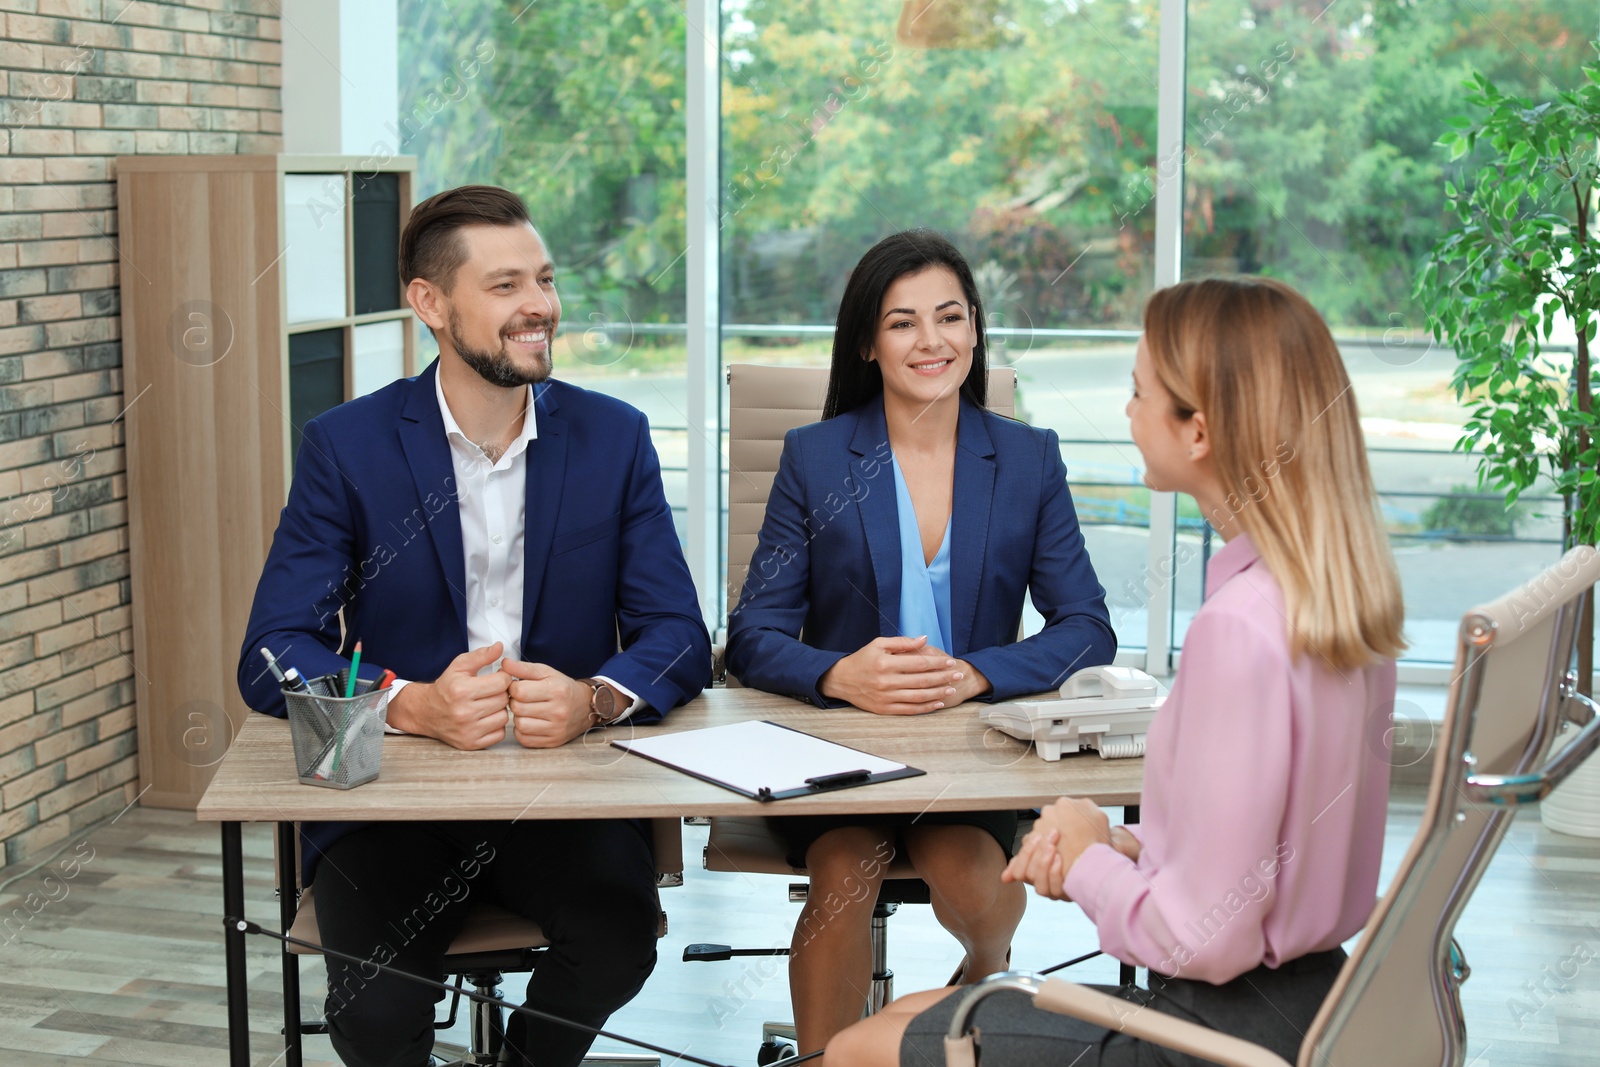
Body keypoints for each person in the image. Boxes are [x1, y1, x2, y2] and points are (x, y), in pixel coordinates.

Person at [825, 275, 1408, 1066]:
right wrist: (1120, 839)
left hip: (1213, 1034)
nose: (1128, 415)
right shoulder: (1337, 600)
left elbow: (1195, 936)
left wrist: (1084, 863)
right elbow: (1263, 857)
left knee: (859, 1049)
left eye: (1138, 394)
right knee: (925, 1007)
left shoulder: (1237, 632)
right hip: (1316, 1000)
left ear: (1197, 431)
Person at [236, 184, 711, 1067]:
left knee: (616, 945)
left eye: (545, 279)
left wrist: (595, 699)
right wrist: (406, 703)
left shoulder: (614, 438)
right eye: (505, 286)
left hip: (557, 792)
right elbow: (272, 654)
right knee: (374, 1014)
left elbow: (680, 632)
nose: (540, 306)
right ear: (430, 303)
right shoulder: (349, 445)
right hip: (392, 802)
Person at [725, 229, 1117, 1054]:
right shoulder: (816, 457)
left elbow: (1087, 626)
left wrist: (979, 672)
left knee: (969, 868)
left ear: (975, 329)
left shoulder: (1026, 457)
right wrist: (838, 673)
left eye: (950, 317)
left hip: (973, 751)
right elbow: (752, 634)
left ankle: (976, 979)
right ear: (868, 342)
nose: (931, 341)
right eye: (903, 323)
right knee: (842, 870)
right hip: (838, 753)